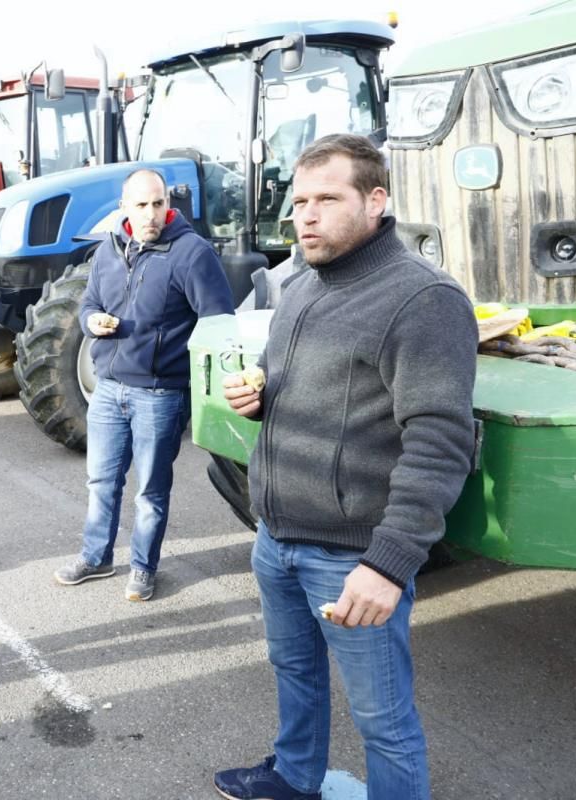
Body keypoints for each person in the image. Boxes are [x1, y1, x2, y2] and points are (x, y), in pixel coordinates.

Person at [214, 134, 477, 800]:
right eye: (299, 201)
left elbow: (440, 440)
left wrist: (389, 562)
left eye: (326, 199)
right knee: (294, 673)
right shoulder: (300, 284)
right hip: (277, 537)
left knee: (383, 721)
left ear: (375, 200)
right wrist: (261, 394)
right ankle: (294, 777)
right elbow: (306, 385)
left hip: (350, 557)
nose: (306, 215)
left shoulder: (423, 300)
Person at [53, 168, 234, 601]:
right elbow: (91, 302)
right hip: (108, 388)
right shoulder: (108, 250)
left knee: (150, 490)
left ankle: (143, 566)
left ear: (168, 203)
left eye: (158, 203)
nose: (151, 213)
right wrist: (90, 321)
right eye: (141, 205)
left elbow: (217, 322)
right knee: (101, 482)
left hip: (160, 394)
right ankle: (96, 558)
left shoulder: (192, 253)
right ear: (124, 208)